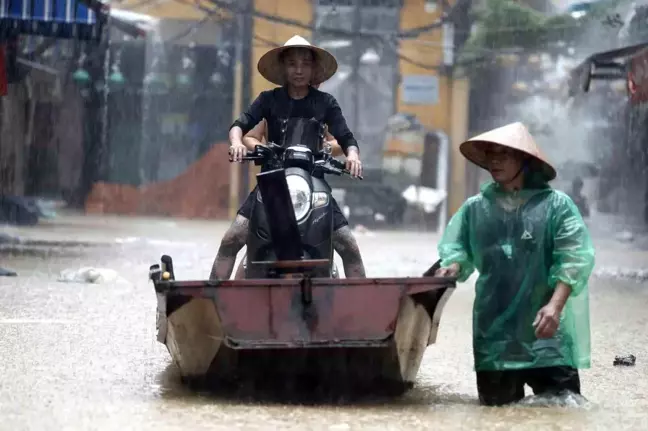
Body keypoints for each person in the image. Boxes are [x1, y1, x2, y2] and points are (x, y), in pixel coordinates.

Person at [435, 122, 595, 406]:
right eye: (491, 155)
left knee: (564, 412)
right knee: (497, 417)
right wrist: (454, 267)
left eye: (503, 154)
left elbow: (574, 258)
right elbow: (457, 248)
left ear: (524, 160)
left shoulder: (557, 206)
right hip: (494, 337)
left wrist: (555, 307)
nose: (494, 161)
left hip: (547, 335)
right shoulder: (475, 208)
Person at [209, 35, 366, 280]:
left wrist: (353, 157)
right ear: (283, 68)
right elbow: (239, 125)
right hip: (272, 184)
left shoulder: (326, 103)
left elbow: (347, 138)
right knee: (232, 238)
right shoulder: (268, 100)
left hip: (315, 186)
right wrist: (237, 143)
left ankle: (363, 314)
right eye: (292, 64)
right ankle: (211, 306)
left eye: (305, 64)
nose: (299, 70)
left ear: (314, 68)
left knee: (350, 246)